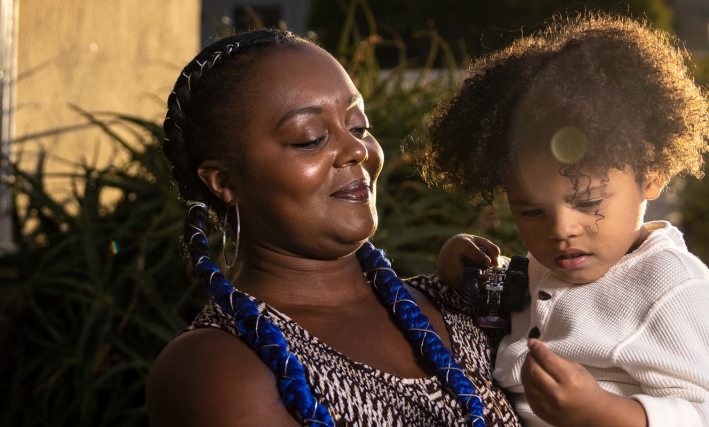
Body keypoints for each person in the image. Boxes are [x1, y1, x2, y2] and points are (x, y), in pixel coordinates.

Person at [146, 29, 518, 426]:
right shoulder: (216, 367)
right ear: (224, 182)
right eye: (310, 139)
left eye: (358, 126)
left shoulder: (459, 304)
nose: (358, 149)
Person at [421, 13, 709, 426]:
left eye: (589, 201)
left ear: (653, 174)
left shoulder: (675, 290)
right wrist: (472, 269)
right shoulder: (555, 266)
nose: (560, 229)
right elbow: (545, 297)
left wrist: (601, 412)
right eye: (531, 211)